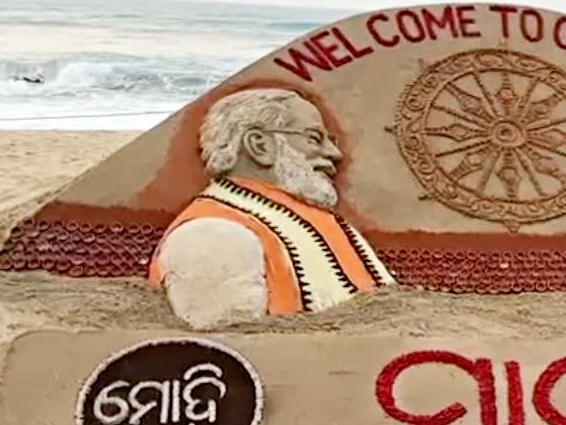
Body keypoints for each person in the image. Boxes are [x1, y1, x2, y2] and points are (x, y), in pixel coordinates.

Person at [148, 88, 394, 329]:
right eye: (313, 138)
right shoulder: (213, 235)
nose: (334, 153)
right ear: (260, 146)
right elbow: (232, 347)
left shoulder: (313, 220)